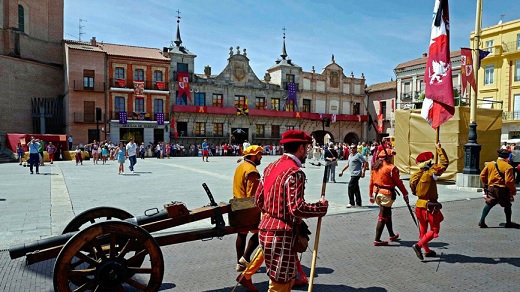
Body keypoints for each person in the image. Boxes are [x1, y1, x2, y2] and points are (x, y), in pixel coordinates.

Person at [255, 129, 328, 291]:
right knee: (279, 286)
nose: (307, 152)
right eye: (307, 148)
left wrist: (273, 213)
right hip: (282, 235)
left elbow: (258, 200)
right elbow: (297, 208)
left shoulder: (270, 167)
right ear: (301, 148)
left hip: (266, 230)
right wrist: (320, 207)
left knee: (284, 281)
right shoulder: (294, 173)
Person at [410, 142, 449, 260]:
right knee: (434, 230)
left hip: (419, 205)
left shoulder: (415, 175)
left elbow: (413, 190)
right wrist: (439, 149)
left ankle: (426, 250)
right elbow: (445, 163)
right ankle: (418, 245)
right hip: (430, 207)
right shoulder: (431, 173)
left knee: (422, 228)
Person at [233, 145, 263, 291]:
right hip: (247, 207)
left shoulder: (241, 166)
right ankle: (245, 258)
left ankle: (240, 262)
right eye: (259, 155)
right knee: (261, 232)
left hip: (238, 205)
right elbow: (253, 195)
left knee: (242, 233)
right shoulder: (252, 171)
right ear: (253, 156)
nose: (261, 157)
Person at [368, 149, 409, 246]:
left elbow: (371, 181)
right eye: (392, 156)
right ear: (389, 157)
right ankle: (377, 240)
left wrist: (370, 195)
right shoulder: (391, 168)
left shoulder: (375, 166)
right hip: (386, 194)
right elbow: (398, 183)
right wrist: (405, 194)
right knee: (382, 216)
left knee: (387, 213)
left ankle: (391, 234)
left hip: (376, 192)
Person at [478, 149, 519, 229]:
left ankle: (482, 221)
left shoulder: (490, 164)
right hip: (502, 189)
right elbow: (509, 181)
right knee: (507, 205)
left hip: (491, 187)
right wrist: (513, 190)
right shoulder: (508, 167)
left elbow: (482, 175)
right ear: (507, 157)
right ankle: (508, 222)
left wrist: (486, 183)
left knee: (489, 203)